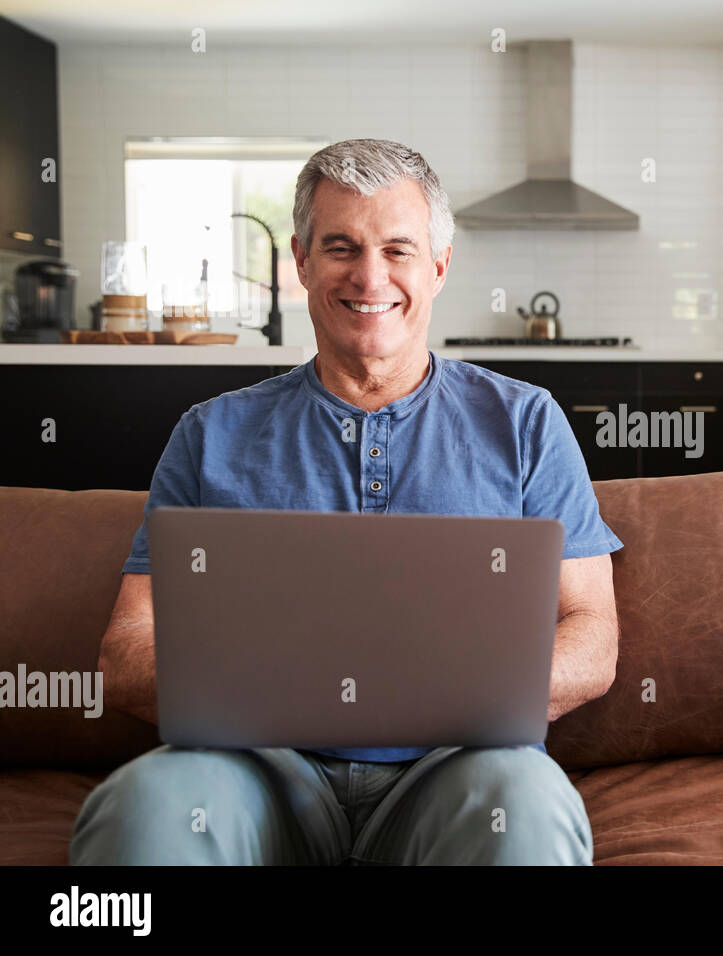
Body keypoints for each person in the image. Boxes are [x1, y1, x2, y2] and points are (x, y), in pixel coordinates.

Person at [69, 139, 622, 866]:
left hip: (458, 769)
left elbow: (593, 634)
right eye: (341, 247)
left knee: (526, 808)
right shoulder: (210, 433)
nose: (370, 276)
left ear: (438, 267)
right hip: (254, 768)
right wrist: (260, 681)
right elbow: (127, 648)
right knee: (145, 807)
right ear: (300, 263)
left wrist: (453, 686)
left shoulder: (525, 422)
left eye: (398, 249)